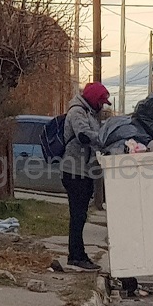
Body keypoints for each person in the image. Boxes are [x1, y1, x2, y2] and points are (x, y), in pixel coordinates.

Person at [60, 82, 111, 270]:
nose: (102, 106)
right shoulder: (77, 112)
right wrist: (105, 139)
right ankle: (76, 256)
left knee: (81, 215)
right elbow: (83, 135)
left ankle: (78, 254)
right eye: (101, 102)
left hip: (85, 170)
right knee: (78, 215)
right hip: (74, 170)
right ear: (94, 99)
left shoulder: (89, 112)